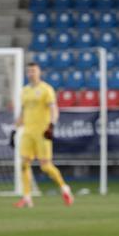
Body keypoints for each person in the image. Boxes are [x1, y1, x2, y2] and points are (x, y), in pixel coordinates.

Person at [13, 61, 73, 209]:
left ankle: (64, 188)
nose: (31, 73)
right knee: (23, 164)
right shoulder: (24, 91)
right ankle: (27, 197)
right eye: (29, 71)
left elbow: (54, 109)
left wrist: (51, 125)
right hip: (27, 132)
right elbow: (23, 112)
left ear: (39, 72)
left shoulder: (46, 89)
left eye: (33, 71)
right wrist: (14, 129)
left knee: (45, 166)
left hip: (43, 132)